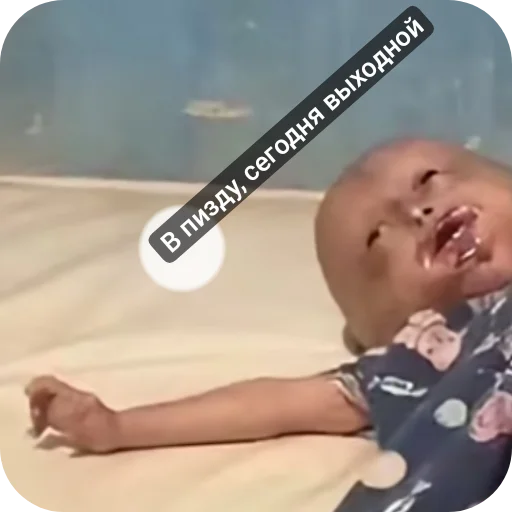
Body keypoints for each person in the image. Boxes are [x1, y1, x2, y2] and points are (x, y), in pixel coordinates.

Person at [25, 138, 512, 510]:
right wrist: (119, 427)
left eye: (429, 179)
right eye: (376, 241)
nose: (415, 212)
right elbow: (272, 404)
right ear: (381, 332)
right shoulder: (420, 354)